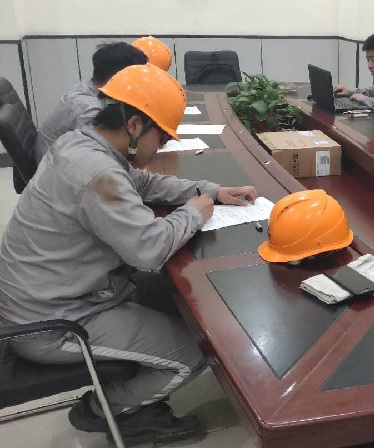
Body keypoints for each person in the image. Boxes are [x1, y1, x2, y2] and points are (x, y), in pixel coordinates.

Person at [0, 64, 256, 443]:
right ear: (135, 125)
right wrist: (194, 212)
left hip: (62, 292)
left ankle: (136, 371)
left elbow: (143, 183)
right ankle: (105, 408)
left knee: (187, 302)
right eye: (162, 138)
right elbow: (149, 250)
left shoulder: (83, 143)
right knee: (195, 350)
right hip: (54, 323)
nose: (163, 148)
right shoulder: (96, 171)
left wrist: (210, 190)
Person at [35, 42, 148, 160]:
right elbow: (108, 155)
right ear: (119, 77)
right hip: (57, 166)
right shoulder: (88, 109)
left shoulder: (87, 89)